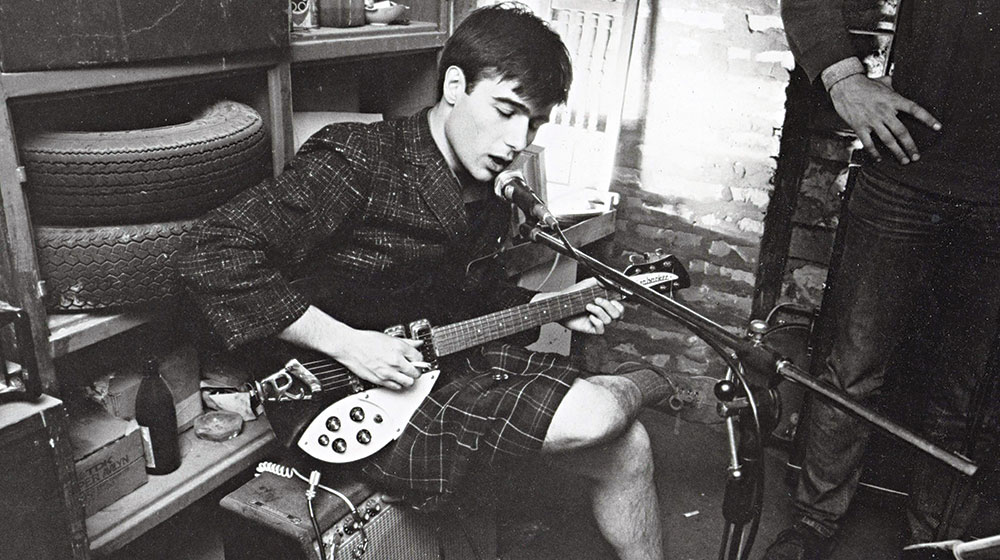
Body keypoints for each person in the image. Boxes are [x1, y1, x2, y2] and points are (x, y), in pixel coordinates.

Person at [179, 5, 714, 559]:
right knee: (599, 413)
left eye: (533, 123)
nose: (517, 140)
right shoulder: (359, 159)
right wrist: (348, 344)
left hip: (444, 365)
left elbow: (471, 301)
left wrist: (554, 305)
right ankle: (644, 383)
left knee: (630, 447)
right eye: (505, 111)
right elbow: (209, 253)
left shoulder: (491, 191)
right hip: (341, 399)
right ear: (455, 86)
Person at [766, 0, 1000, 558]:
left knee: (968, 395)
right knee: (853, 367)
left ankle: (937, 545)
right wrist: (843, 78)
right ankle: (813, 522)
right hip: (904, 173)